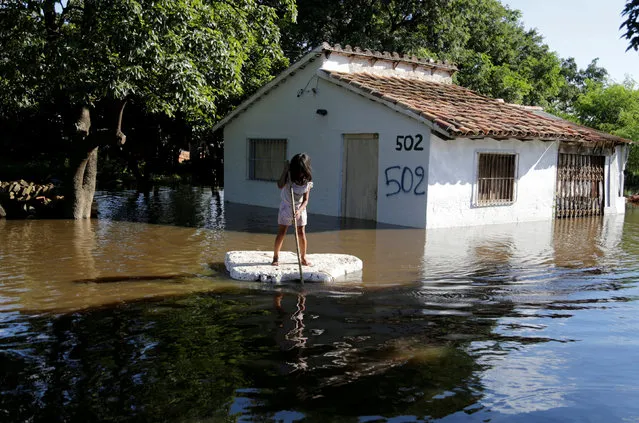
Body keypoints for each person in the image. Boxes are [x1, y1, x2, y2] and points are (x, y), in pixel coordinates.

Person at [272, 153, 313, 266]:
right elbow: (280, 185)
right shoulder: (289, 175)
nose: (299, 172)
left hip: (300, 208)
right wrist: (285, 170)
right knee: (282, 232)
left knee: (301, 232)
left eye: (301, 170)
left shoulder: (307, 179)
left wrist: (299, 211)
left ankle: (303, 257)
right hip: (286, 206)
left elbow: (305, 200)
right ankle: (275, 257)